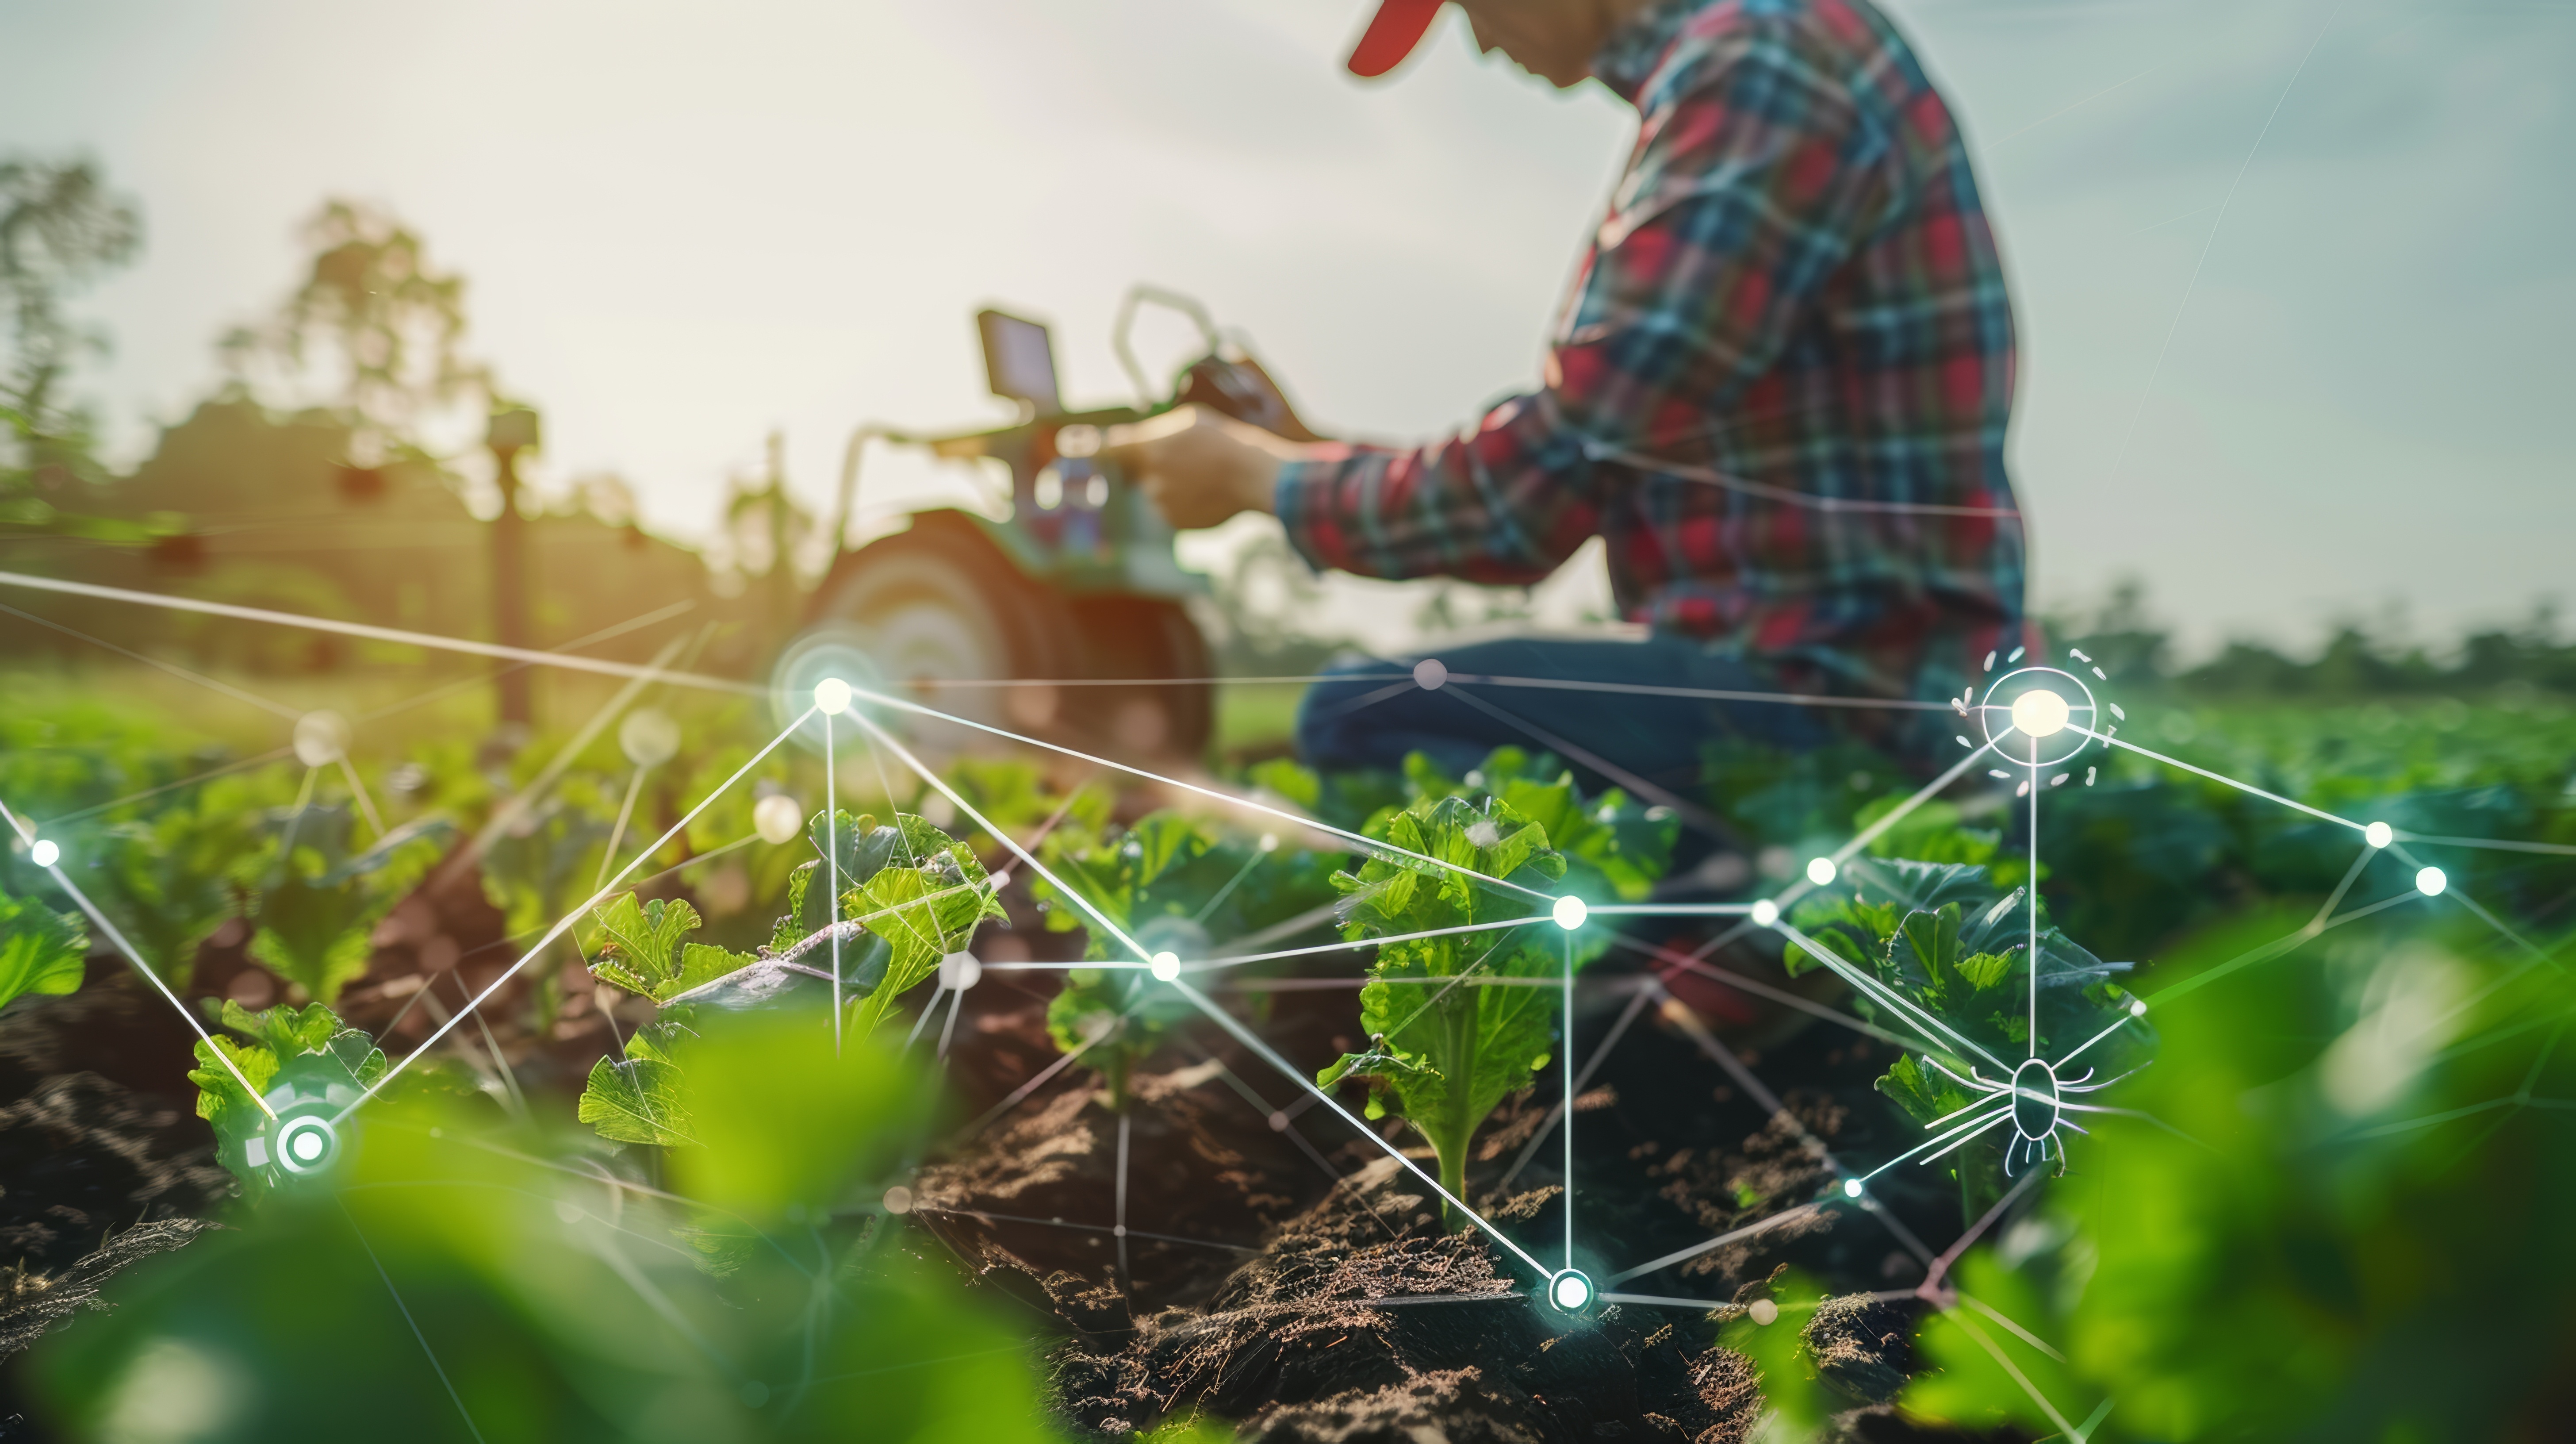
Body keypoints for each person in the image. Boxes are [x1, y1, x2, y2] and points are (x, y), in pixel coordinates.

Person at [1106, 0, 2028, 803]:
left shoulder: (1758, 65)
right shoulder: (1763, 54)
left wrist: (1255, 479)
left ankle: (1736, 960)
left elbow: (1532, 500)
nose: (1477, 44)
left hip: (1842, 705)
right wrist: (1303, 458)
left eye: (1469, 4)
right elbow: (1592, 455)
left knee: (1361, 714)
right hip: (1870, 685)